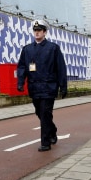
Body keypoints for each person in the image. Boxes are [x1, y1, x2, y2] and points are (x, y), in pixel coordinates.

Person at [17, 19, 67, 152]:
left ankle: (45, 143)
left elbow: (60, 68)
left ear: (45, 32)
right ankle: (52, 130)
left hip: (49, 87)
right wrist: (20, 82)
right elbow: (22, 66)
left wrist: (63, 86)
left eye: (39, 30)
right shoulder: (27, 49)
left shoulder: (53, 48)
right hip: (34, 87)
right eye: (35, 30)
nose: (37, 33)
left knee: (45, 113)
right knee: (40, 112)